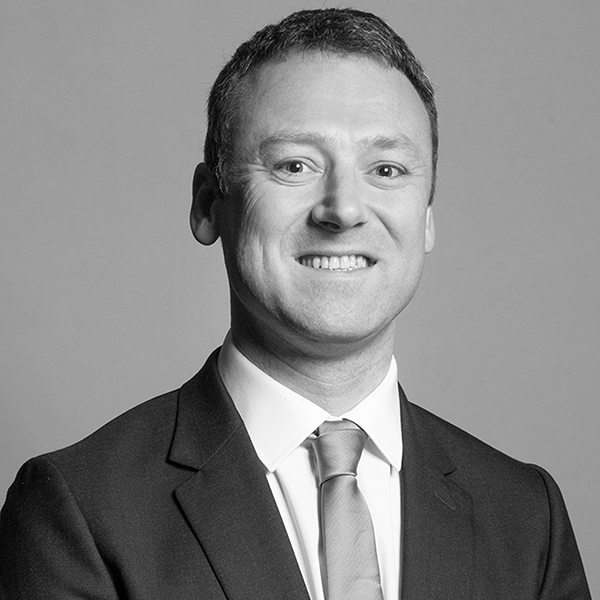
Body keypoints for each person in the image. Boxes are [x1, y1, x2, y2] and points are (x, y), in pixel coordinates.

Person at [0, 7, 591, 599]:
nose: (344, 210)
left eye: (387, 169)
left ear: (427, 218)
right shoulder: (79, 510)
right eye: (294, 166)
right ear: (208, 204)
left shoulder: (526, 516)